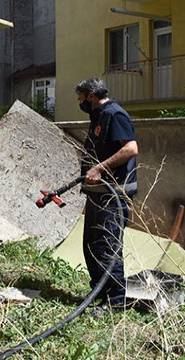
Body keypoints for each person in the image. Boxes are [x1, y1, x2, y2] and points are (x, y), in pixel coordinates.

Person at [75, 78, 138, 313]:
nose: (79, 102)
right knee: (91, 245)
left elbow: (131, 148)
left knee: (108, 246)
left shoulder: (115, 114)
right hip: (97, 193)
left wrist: (100, 168)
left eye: (80, 97)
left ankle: (115, 301)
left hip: (114, 194)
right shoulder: (98, 116)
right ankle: (99, 293)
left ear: (91, 95)